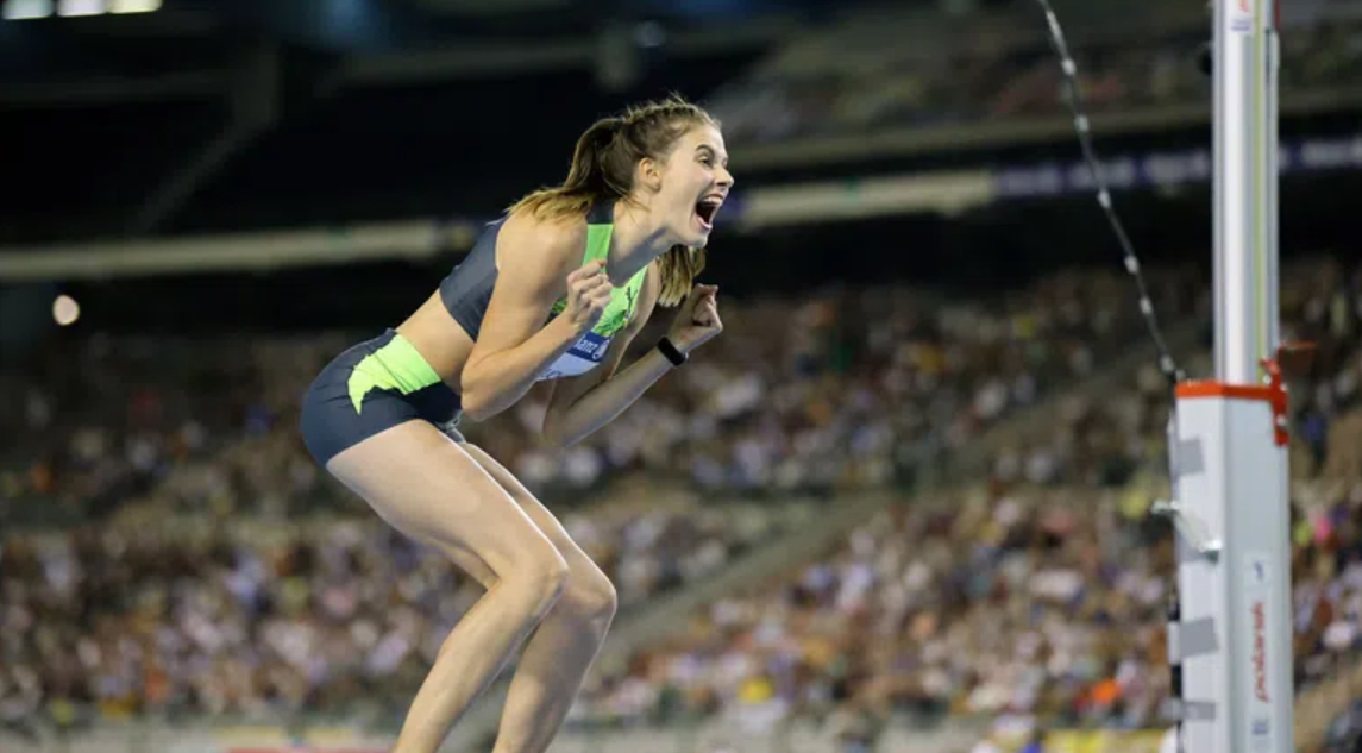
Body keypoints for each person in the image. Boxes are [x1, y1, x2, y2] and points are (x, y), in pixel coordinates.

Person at [299, 95, 732, 753]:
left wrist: (669, 352)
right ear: (649, 173)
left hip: (428, 421)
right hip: (368, 399)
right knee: (532, 571)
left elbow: (560, 426)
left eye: (725, 164)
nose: (725, 176)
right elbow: (479, 391)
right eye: (706, 158)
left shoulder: (638, 287)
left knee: (588, 598)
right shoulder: (555, 231)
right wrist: (567, 325)